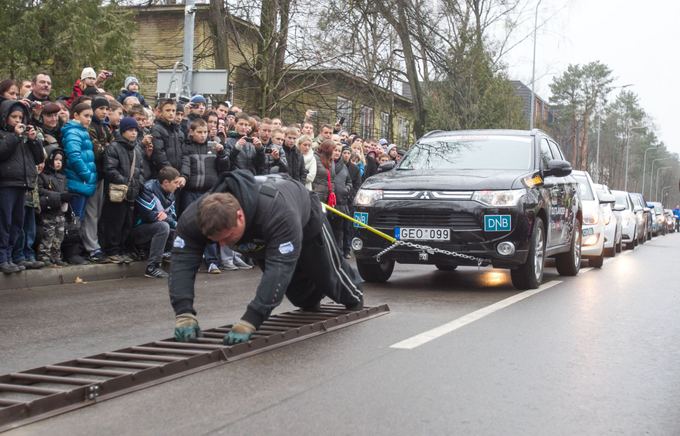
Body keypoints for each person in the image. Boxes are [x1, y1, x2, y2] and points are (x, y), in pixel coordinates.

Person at [170, 170, 364, 344]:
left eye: (228, 237)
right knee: (301, 298)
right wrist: (183, 312)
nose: (224, 244)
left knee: (328, 276)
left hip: (305, 223)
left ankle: (354, 295)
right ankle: (312, 296)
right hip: (263, 238)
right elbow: (181, 261)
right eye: (216, 240)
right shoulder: (194, 218)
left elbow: (279, 270)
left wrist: (251, 320)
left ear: (239, 216)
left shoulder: (277, 212)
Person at [180, 118, 230, 273]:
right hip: (191, 192)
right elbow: (185, 166)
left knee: (211, 225)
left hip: (209, 192)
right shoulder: (187, 147)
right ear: (192, 132)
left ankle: (212, 261)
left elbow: (224, 167)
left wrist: (222, 153)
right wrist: (184, 178)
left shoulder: (213, 146)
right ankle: (188, 260)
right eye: (199, 132)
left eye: (205, 132)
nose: (203, 135)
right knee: (189, 226)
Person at [0, 100, 45, 274]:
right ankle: (3, 258)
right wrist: (15, 136)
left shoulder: (24, 138)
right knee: (5, 222)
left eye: (21, 117)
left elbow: (39, 158)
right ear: (5, 117)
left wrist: (34, 141)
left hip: (23, 184)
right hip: (6, 184)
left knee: (17, 224)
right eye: (14, 117)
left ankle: (11, 257)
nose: (18, 120)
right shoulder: (6, 135)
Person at [100, 117, 145, 264]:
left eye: (135, 130)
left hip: (132, 192)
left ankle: (122, 249)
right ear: (123, 131)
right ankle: (112, 250)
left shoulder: (137, 148)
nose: (133, 133)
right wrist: (125, 181)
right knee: (114, 222)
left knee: (127, 222)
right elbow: (109, 169)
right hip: (117, 192)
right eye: (130, 130)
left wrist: (138, 183)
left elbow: (141, 170)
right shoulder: (113, 147)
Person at [133, 166, 181, 278]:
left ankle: (168, 255)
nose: (178, 186)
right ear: (165, 182)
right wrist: (167, 219)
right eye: (175, 182)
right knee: (163, 227)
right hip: (138, 231)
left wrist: (168, 219)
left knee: (178, 228)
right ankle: (152, 267)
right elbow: (150, 215)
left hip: (153, 228)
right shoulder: (148, 188)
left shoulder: (171, 193)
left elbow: (172, 217)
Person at [83, 97, 113, 263]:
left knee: (99, 212)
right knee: (91, 213)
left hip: (103, 175)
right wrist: (108, 148)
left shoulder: (105, 127)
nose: (104, 112)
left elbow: (112, 148)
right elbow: (99, 151)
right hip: (92, 174)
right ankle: (92, 248)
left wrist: (109, 148)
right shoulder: (91, 127)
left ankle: (97, 244)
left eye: (106, 109)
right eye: (101, 108)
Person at [37, 149, 69, 266]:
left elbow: (65, 191)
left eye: (60, 160)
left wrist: (67, 197)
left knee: (59, 236)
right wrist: (58, 196)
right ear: (50, 160)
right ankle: (44, 256)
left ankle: (56, 256)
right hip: (49, 212)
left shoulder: (62, 177)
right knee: (48, 235)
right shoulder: (43, 176)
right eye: (56, 160)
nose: (58, 162)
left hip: (60, 213)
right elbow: (41, 190)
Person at [150, 99, 185, 184]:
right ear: (160, 112)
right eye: (168, 110)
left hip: (177, 176)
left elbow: (184, 154)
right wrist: (173, 174)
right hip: (164, 176)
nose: (171, 113)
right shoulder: (157, 129)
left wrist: (183, 175)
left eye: (173, 111)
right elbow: (159, 154)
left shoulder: (178, 132)